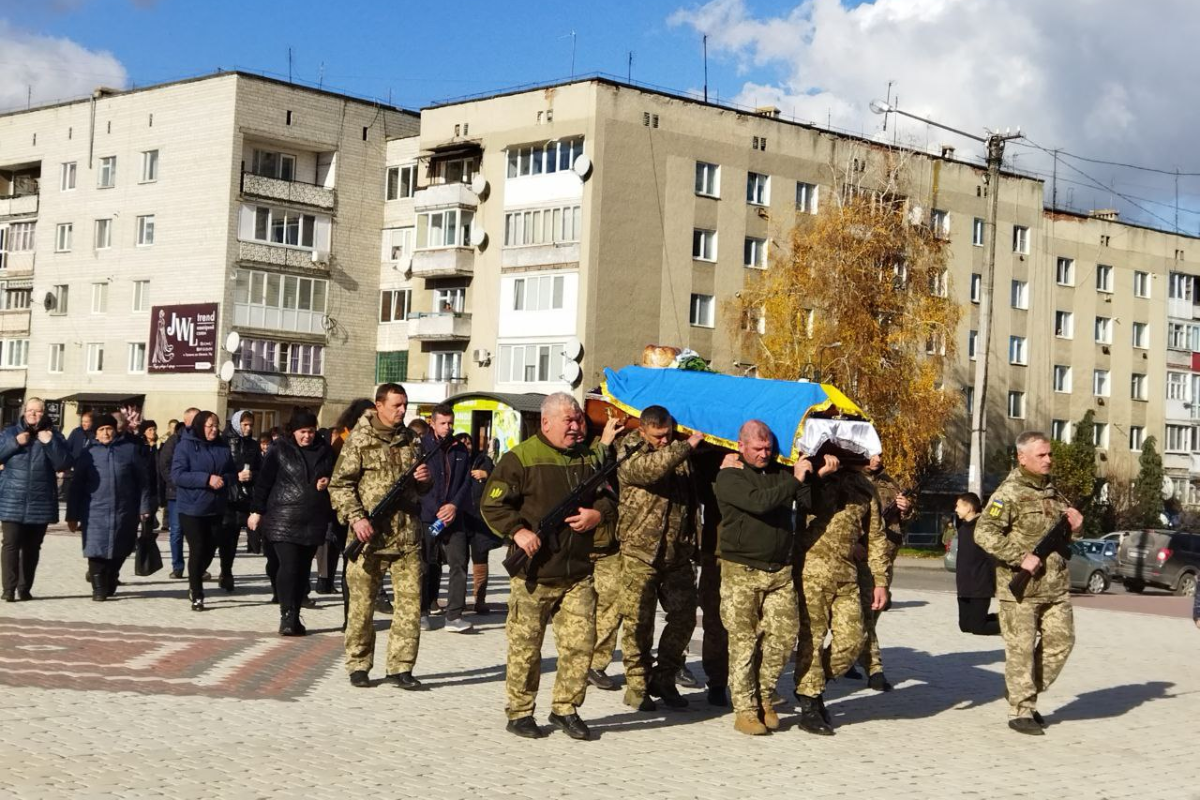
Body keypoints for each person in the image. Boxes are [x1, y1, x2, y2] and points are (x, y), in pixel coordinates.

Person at [481, 392, 617, 741]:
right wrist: (518, 531)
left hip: (577, 573)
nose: (576, 427)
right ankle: (521, 712)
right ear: (546, 423)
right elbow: (493, 506)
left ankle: (565, 709)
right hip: (534, 573)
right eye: (568, 421)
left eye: (579, 420)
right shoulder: (520, 459)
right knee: (526, 647)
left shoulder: (589, 457)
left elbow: (606, 496)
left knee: (580, 645)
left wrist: (596, 514)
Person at [715, 420, 833, 736]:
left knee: (783, 636)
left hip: (779, 571)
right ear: (741, 446)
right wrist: (794, 480)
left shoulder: (781, 474)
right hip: (742, 572)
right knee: (743, 642)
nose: (764, 453)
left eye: (768, 447)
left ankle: (765, 696)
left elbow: (808, 503)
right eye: (757, 448)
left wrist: (814, 478)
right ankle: (745, 710)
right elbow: (760, 502)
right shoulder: (730, 477)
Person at [974, 431, 1083, 736]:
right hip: (1021, 589)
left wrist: (1076, 528)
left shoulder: (1053, 492)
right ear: (1022, 458)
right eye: (1041, 455)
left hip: (1055, 585)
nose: (1049, 459)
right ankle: (1021, 709)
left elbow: (1062, 539)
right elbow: (983, 533)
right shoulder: (1007, 494)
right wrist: (1019, 557)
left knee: (1062, 642)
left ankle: (1023, 691)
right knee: (1020, 649)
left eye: (1049, 454)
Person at [328, 383, 431, 689]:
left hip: (406, 537)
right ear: (380, 405)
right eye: (397, 405)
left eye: (405, 405)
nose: (402, 411)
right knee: (362, 607)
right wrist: (356, 518)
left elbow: (421, 489)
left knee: (410, 608)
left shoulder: (412, 440)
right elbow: (340, 485)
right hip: (368, 538)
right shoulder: (359, 439)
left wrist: (425, 480)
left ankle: (401, 667)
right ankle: (359, 664)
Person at [615, 406, 703, 712]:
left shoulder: (679, 453)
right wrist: (686, 445)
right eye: (658, 436)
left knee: (684, 617)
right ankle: (637, 685)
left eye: (668, 435)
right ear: (643, 431)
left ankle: (664, 677)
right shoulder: (629, 448)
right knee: (639, 621)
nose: (664, 441)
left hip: (677, 552)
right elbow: (650, 470)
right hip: (640, 551)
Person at [794, 456, 888, 736]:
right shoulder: (811, 476)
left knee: (853, 639)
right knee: (812, 637)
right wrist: (819, 475)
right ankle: (810, 702)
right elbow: (801, 505)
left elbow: (876, 536)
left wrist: (880, 581)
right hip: (812, 571)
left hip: (847, 573)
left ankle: (810, 684)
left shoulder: (865, 488)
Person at [249, 411, 334, 636]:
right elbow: (263, 482)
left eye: (311, 431)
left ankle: (295, 615)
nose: (307, 436)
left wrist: (328, 481)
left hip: (313, 518)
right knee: (289, 566)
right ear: (293, 431)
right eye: (302, 432)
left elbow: (335, 475)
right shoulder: (279, 449)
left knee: (303, 570)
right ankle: (286, 615)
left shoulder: (325, 451)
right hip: (283, 517)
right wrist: (256, 511)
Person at [67, 414, 153, 601]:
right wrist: (72, 515)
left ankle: (111, 576)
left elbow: (143, 482)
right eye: (101, 430)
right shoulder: (87, 454)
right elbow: (76, 487)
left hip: (124, 510)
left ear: (115, 430)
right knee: (95, 550)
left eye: (109, 429)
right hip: (94, 511)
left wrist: (144, 507)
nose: (105, 433)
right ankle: (98, 588)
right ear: (95, 434)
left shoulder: (129, 450)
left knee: (121, 548)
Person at [850, 454, 916, 691]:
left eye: (879, 452)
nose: (877, 457)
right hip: (861, 557)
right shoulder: (852, 480)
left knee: (873, 613)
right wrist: (852, 542)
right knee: (864, 614)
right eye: (872, 453)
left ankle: (853, 656)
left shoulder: (890, 483)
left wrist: (906, 510)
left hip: (886, 557)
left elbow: (902, 522)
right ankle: (874, 669)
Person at [0, 398, 72, 601]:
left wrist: (49, 442)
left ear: (44, 414)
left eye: (38, 411)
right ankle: (8, 589)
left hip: (40, 500)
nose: (33, 414)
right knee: (10, 544)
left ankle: (24, 588)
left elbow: (63, 463)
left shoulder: (54, 435)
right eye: (30, 410)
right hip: (12, 498)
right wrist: (15, 443)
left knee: (32, 548)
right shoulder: (9, 433)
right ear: (24, 412)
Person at [171, 410, 243, 611]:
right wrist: (206, 479)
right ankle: (197, 592)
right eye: (209, 426)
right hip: (191, 508)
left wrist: (225, 480)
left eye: (216, 425)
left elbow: (231, 473)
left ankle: (195, 574)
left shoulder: (221, 446)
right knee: (198, 547)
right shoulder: (185, 446)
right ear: (200, 426)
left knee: (211, 548)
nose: (214, 429)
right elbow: (177, 475)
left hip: (216, 507)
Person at [417, 404, 472, 632]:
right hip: (428, 517)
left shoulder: (460, 450)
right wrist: (437, 509)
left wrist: (453, 506)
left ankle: (454, 616)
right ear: (432, 422)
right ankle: (421, 612)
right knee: (425, 564)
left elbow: (465, 483)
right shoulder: (422, 447)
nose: (448, 428)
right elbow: (418, 484)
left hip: (454, 518)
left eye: (450, 423)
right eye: (443, 423)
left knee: (459, 563)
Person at [457, 431, 499, 614]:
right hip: (460, 518)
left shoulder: (483, 460)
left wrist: (487, 474)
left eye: (468, 442)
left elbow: (500, 478)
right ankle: (458, 602)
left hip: (480, 519)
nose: (466, 445)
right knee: (459, 560)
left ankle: (479, 600)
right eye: (462, 442)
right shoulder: (454, 460)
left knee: (481, 558)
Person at [159, 408, 199, 580]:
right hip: (176, 493)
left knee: (196, 533)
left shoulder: (202, 441)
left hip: (197, 493)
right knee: (176, 531)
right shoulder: (174, 440)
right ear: (187, 421)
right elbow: (164, 465)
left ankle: (197, 566)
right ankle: (178, 566)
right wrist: (177, 482)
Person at [222, 410, 261, 584]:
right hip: (225, 495)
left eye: (251, 425)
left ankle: (226, 571)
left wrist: (253, 475)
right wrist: (235, 476)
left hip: (244, 497)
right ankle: (214, 568)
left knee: (233, 536)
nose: (248, 428)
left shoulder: (253, 445)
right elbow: (218, 467)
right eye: (245, 424)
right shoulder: (224, 442)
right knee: (222, 535)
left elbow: (261, 468)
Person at [953, 492, 1000, 636]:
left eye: (958, 506)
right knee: (965, 626)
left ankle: (1015, 624)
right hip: (964, 586)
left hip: (980, 586)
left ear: (969, 508)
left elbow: (992, 558)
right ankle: (1003, 617)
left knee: (978, 628)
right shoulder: (962, 527)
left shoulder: (983, 528)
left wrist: (995, 583)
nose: (955, 509)